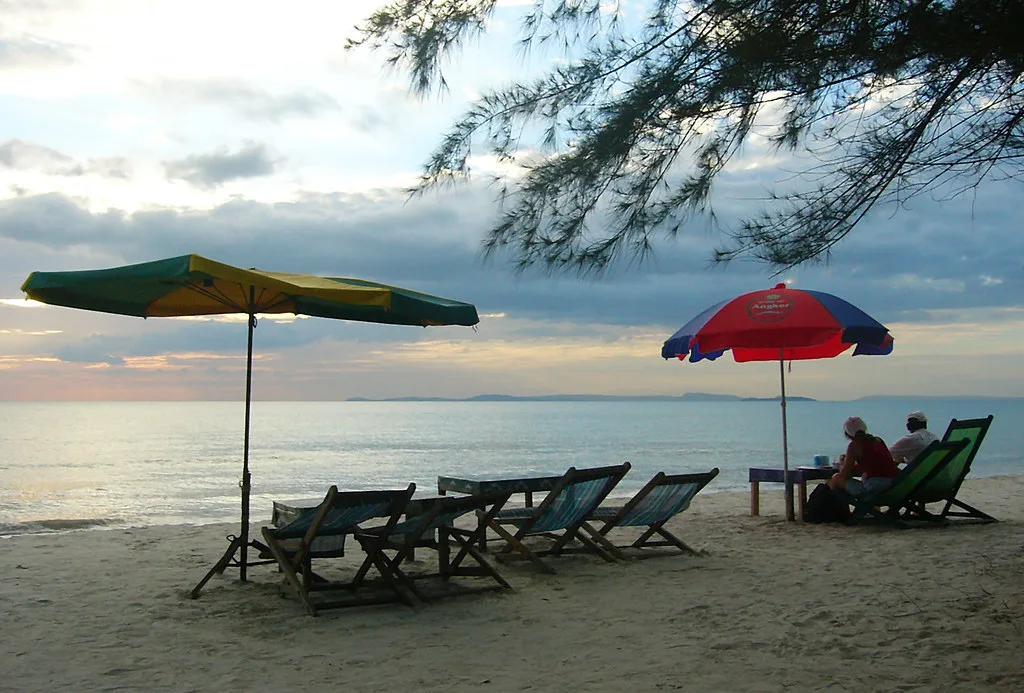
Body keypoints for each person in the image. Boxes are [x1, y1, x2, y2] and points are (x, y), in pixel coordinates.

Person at [828, 416, 898, 496]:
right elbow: (874, 465)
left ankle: (830, 502)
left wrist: (842, 463)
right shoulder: (877, 440)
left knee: (836, 478)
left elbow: (844, 475)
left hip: (874, 489)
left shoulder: (854, 446)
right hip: (891, 484)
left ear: (847, 434)